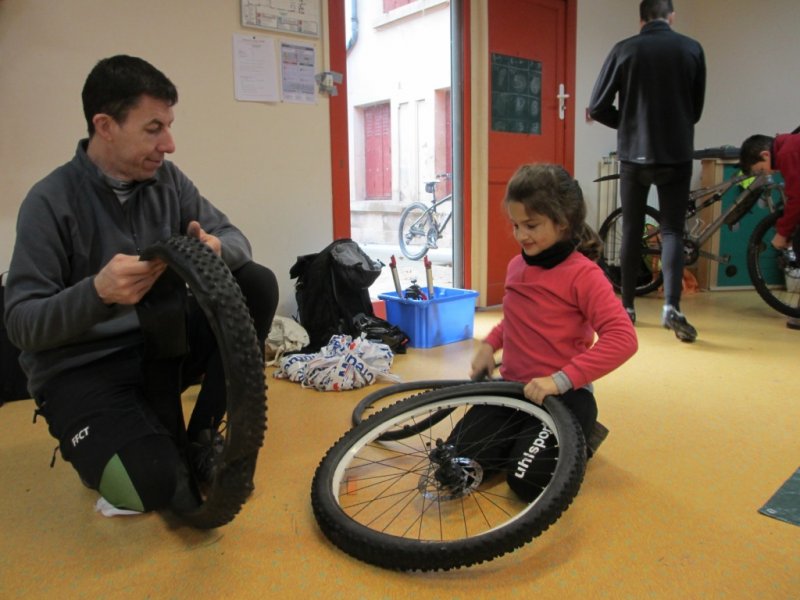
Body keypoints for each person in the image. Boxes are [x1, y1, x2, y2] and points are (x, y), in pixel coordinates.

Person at [3, 55, 279, 516]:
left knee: (256, 283)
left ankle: (202, 435)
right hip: (83, 368)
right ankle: (124, 442)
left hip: (158, 345)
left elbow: (237, 240)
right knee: (149, 486)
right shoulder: (49, 201)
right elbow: (21, 324)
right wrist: (97, 293)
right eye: (154, 128)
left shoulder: (167, 182)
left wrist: (213, 249)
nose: (169, 144)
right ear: (106, 125)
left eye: (169, 126)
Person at [449, 164, 638, 501]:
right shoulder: (517, 266)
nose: (522, 236)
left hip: (564, 395)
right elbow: (518, 319)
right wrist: (489, 345)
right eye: (516, 225)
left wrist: (560, 380)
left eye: (532, 225)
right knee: (452, 468)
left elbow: (623, 338)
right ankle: (525, 436)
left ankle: (579, 435)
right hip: (513, 388)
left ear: (563, 221)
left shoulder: (584, 275)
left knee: (526, 483)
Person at [588, 0, 706, 342]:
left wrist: (626, 124)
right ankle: (672, 307)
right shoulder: (692, 49)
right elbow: (695, 110)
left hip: (634, 156)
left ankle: (626, 307)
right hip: (677, 154)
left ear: (640, 19)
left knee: (632, 227)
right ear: (672, 17)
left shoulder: (625, 50)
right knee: (671, 230)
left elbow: (597, 106)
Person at [739, 132, 800, 329]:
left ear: (766, 155)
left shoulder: (788, 152)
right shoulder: (790, 146)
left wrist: (782, 233)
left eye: (761, 170)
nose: (766, 174)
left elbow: (797, 198)